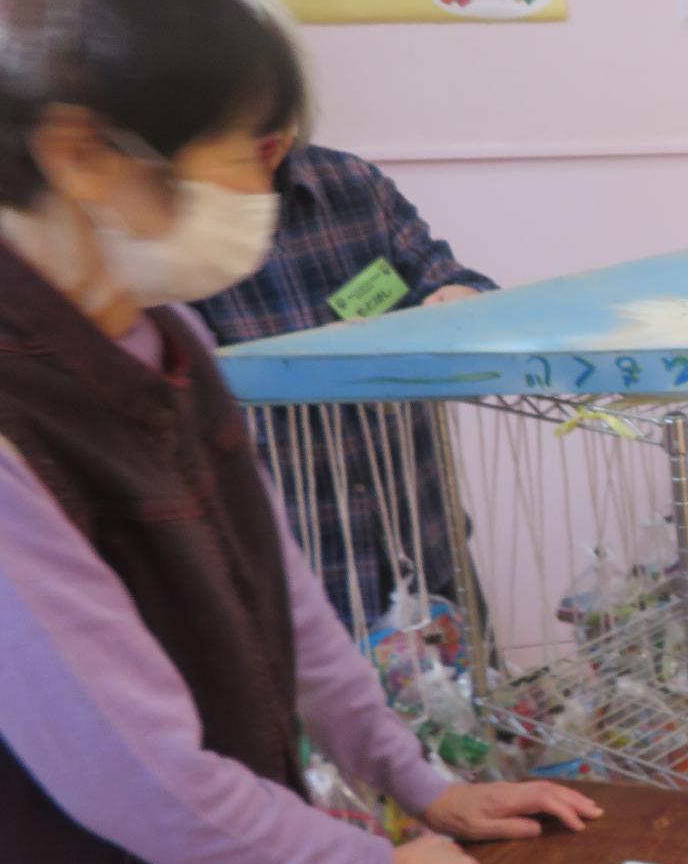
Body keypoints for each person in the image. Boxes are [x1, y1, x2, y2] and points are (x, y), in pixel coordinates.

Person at [0, 0, 598, 864]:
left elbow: (294, 606)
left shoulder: (168, 338)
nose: (258, 195)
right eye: (235, 156)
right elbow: (133, 775)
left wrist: (420, 784)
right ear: (85, 155)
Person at [197, 128, 497, 633]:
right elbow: (176, 395)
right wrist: (308, 360)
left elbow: (448, 278)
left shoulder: (351, 182)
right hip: (294, 578)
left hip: (426, 545)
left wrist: (464, 299)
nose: (267, 133)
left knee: (471, 680)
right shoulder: (166, 227)